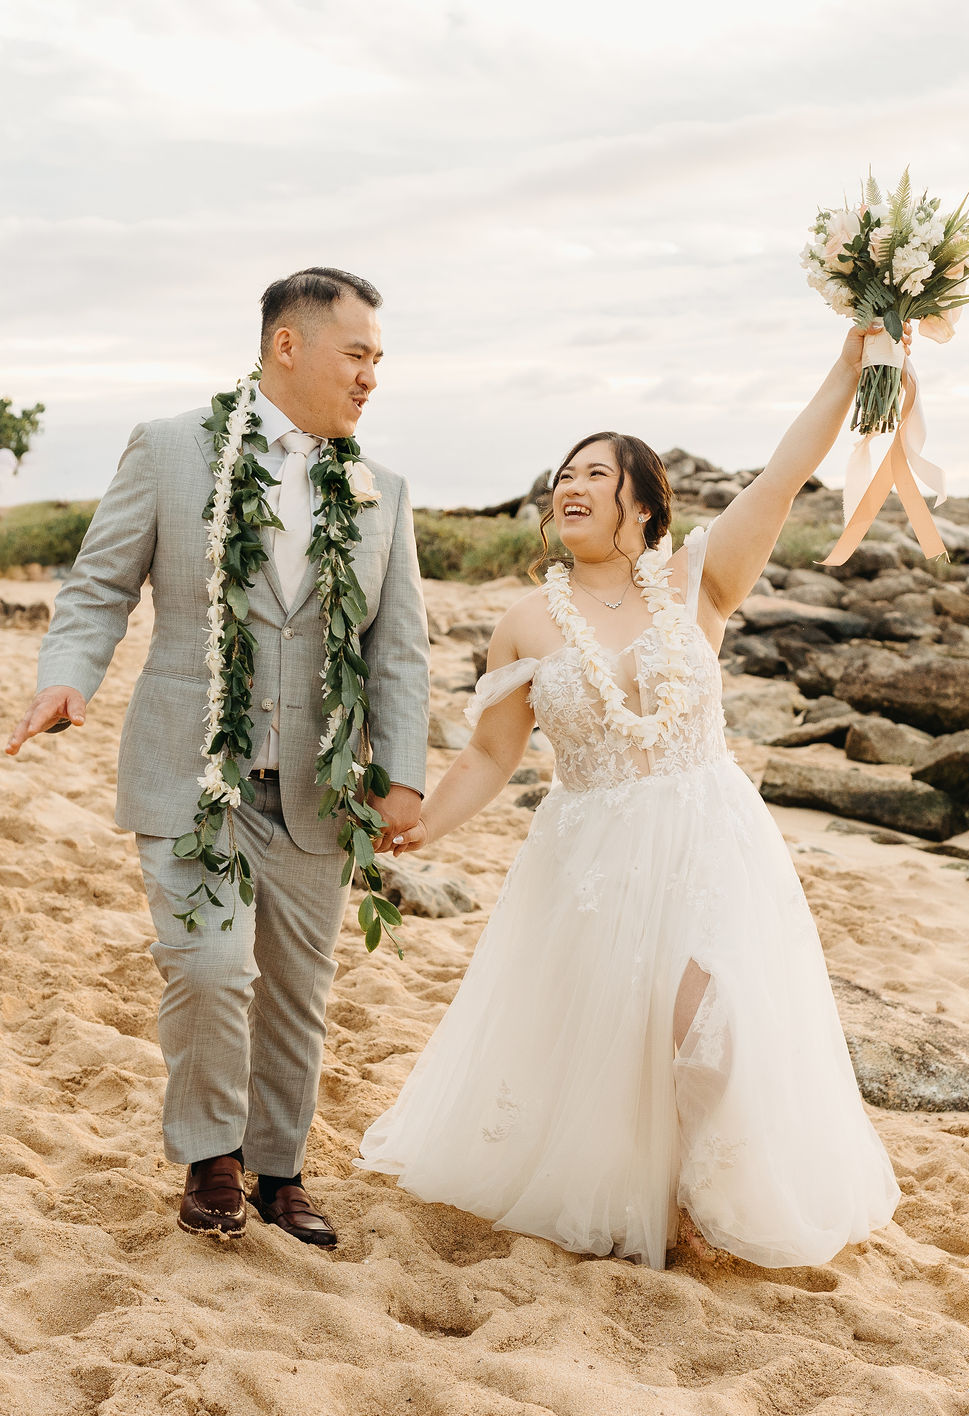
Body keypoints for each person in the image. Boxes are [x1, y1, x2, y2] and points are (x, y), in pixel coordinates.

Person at [354, 321, 904, 1271]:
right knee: (617, 1043)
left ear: (645, 507)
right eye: (563, 476)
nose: (570, 487)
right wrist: (420, 826)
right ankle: (647, 1196)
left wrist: (851, 370)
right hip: (590, 853)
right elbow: (491, 755)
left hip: (706, 835)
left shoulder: (699, 582)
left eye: (596, 476)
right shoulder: (526, 620)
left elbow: (778, 477)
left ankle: (701, 1190)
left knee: (708, 1017)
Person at [6, 267, 430, 1247]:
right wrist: (65, 676)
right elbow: (97, 587)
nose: (372, 376)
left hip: (319, 788)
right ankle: (211, 1156)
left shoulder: (383, 493)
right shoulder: (168, 452)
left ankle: (279, 1171)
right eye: (356, 354)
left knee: (294, 988)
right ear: (290, 344)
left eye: (379, 359)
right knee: (208, 965)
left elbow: (397, 651)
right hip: (194, 774)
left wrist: (399, 773)